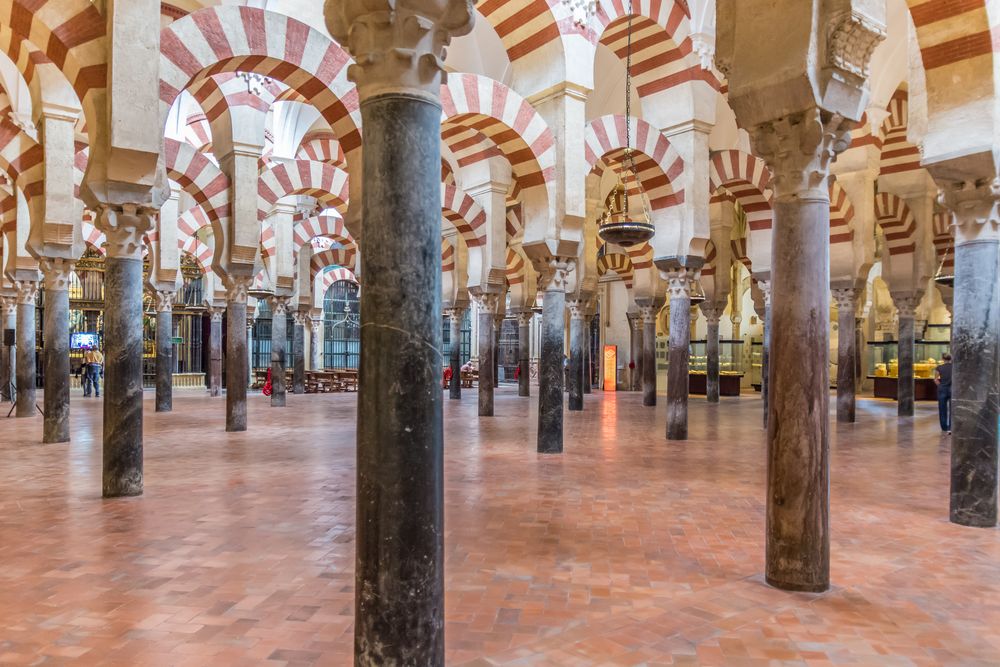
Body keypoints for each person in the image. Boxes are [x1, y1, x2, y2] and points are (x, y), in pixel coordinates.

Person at [935, 353, 953, 434]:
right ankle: (951, 427)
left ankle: (944, 428)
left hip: (942, 389)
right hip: (952, 389)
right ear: (951, 359)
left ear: (943, 359)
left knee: (942, 409)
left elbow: (936, 379)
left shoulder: (939, 367)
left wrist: (940, 386)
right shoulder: (954, 367)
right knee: (952, 409)